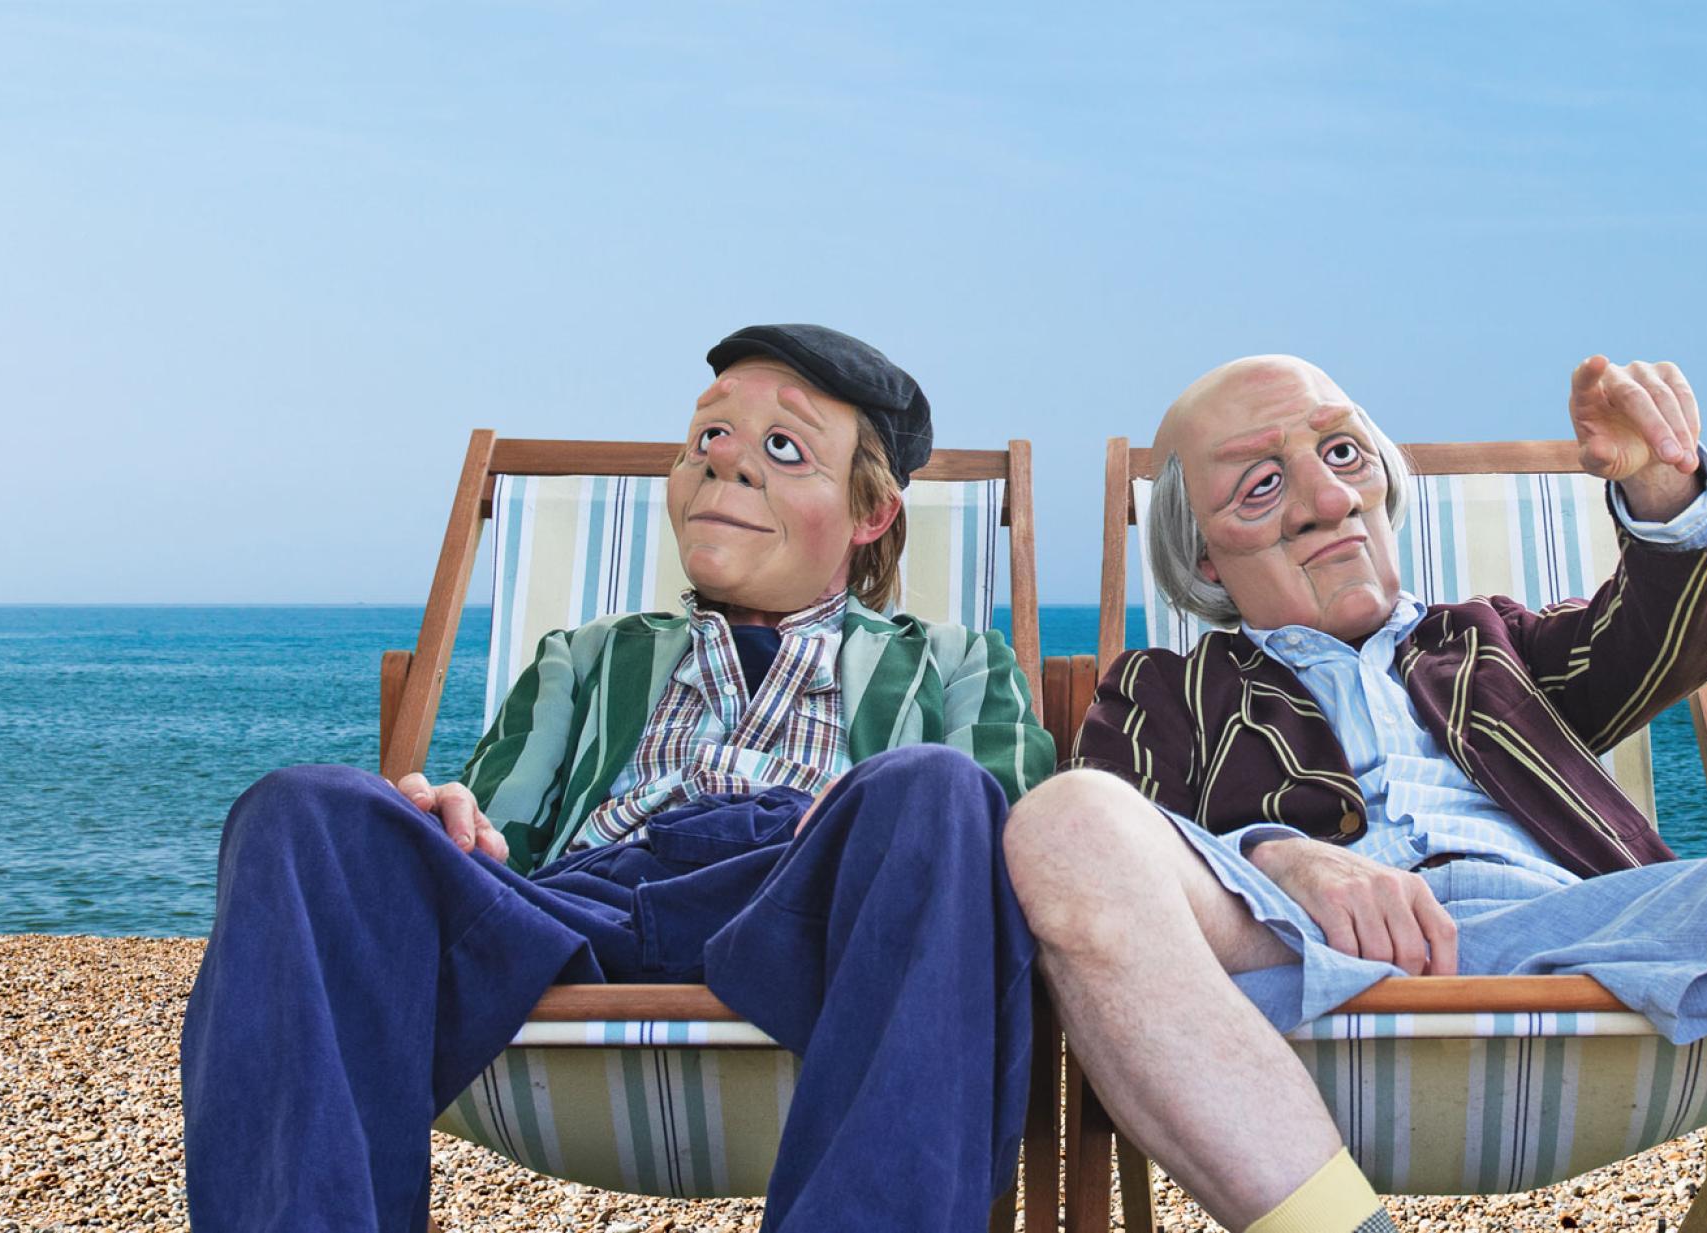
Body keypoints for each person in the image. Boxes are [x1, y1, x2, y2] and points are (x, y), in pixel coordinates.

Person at [1003, 354, 1707, 1232]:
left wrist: (1665, 497)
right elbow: (1126, 845)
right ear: (1201, 556)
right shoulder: (1165, 686)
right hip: (1299, 949)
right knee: (1062, 821)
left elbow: (1662, 642)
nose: (1327, 499)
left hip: (1583, 925)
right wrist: (1281, 855)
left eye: (1342, 452)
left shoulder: (1495, 643)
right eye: (1261, 485)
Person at [180, 325, 1054, 1232]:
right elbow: (496, 843)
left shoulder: (955, 662)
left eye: (783, 449)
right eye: (708, 439)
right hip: (578, 905)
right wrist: (441, 821)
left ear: (871, 513)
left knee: (942, 792)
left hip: (806, 902)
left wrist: (887, 806)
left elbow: (1015, 847)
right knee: (302, 811)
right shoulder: (587, 653)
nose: (728, 466)